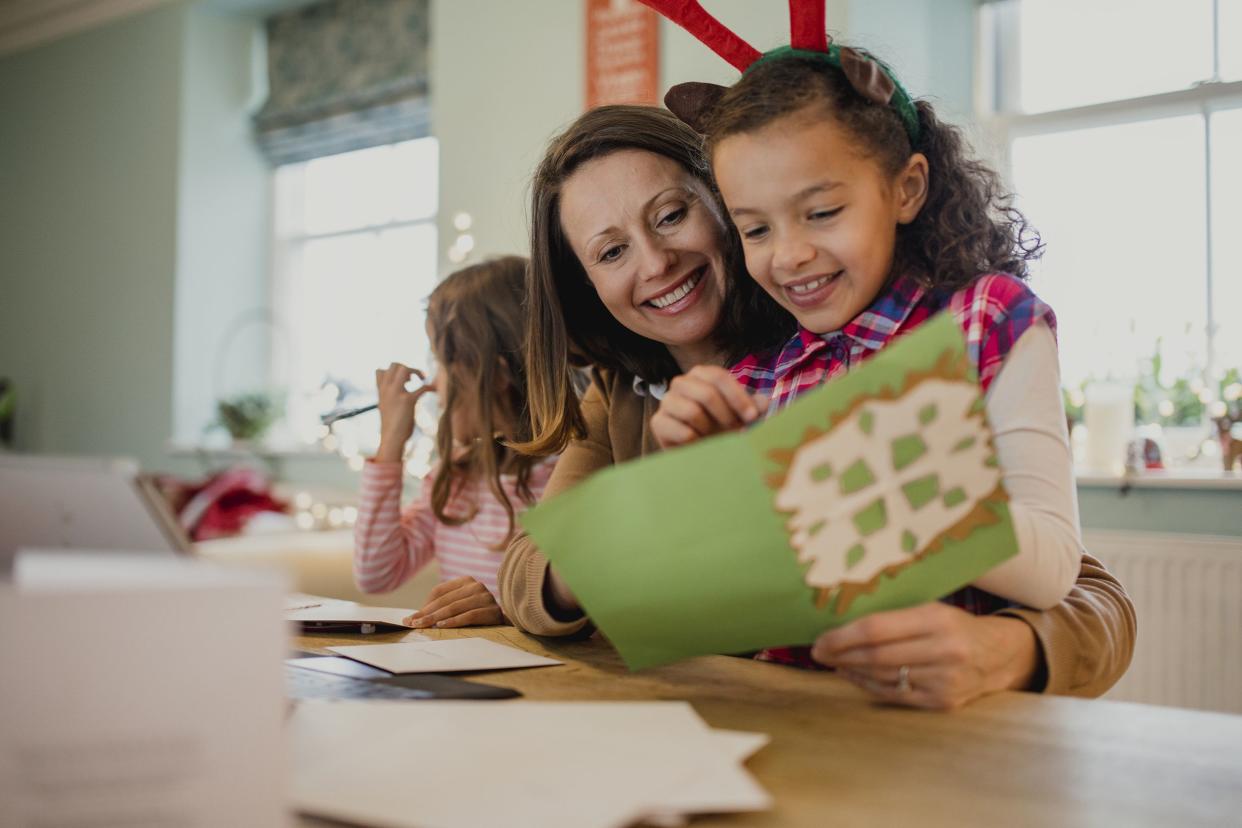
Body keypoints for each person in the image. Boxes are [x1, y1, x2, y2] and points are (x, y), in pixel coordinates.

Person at [499, 104, 1135, 709]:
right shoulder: (619, 393)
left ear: (727, 200)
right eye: (611, 252)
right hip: (745, 718)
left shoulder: (844, 342)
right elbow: (530, 568)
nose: (657, 261)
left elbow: (1081, 585)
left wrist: (1008, 649)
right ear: (588, 284)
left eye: (670, 215)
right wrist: (651, 520)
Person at [354, 256, 552, 629]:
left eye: (442, 363)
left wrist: (505, 615)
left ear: (496, 374)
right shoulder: (455, 475)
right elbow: (375, 574)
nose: (434, 383)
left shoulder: (568, 476)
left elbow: (586, 614)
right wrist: (390, 444)